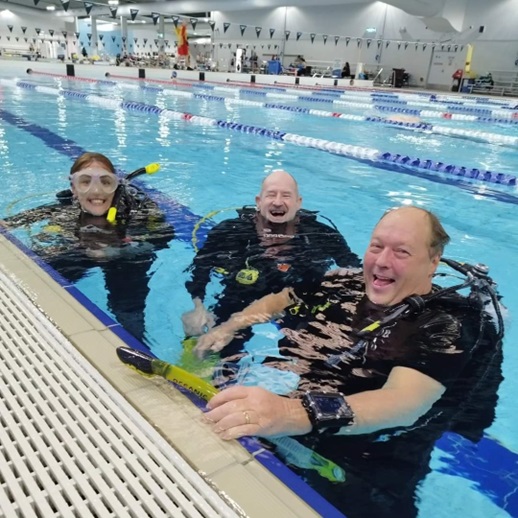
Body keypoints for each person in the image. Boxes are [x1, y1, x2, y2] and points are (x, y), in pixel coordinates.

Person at [196, 206, 503, 517]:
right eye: (377, 246)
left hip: (374, 454)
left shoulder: (449, 322)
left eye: (402, 252)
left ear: (433, 262)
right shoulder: (345, 283)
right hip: (300, 421)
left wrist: (292, 412)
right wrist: (231, 326)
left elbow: (404, 400)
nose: (382, 261)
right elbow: (284, 298)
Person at [181, 170, 360, 356]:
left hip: (298, 300)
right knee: (210, 342)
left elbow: (352, 264)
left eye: (286, 195)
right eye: (271, 194)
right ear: (258, 201)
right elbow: (200, 267)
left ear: (298, 203)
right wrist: (198, 306)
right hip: (239, 297)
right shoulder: (229, 230)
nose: (277, 201)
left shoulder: (323, 235)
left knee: (308, 350)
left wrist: (347, 272)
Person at [1, 152, 175, 343]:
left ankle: (137, 345)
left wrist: (117, 251)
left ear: (115, 186)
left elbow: (164, 237)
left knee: (128, 312)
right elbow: (25, 217)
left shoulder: (137, 210)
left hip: (126, 258)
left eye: (105, 182)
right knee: (35, 277)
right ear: (73, 188)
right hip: (83, 252)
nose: (97, 191)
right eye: (85, 182)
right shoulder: (69, 206)